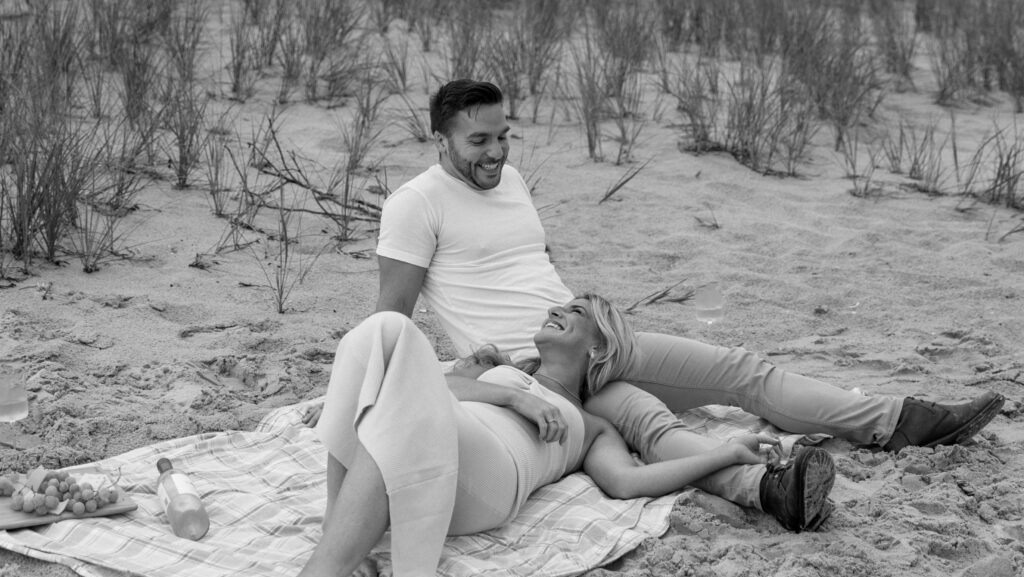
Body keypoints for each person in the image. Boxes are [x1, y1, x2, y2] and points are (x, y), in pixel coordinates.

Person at [340, 78, 1005, 532]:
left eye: (502, 136)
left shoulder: (510, 179)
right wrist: (460, 383)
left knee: (741, 372)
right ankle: (770, 488)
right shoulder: (414, 205)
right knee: (648, 424)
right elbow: (390, 321)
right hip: (538, 367)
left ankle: (899, 420)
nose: (495, 153)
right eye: (477, 141)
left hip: (591, 334)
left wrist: (595, 321)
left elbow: (531, 265)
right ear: (441, 141)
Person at [216, 295, 835, 577]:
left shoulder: (590, 421)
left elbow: (625, 484)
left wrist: (726, 453)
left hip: (486, 481)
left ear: (597, 348)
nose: (560, 308)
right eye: (562, 303)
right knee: (378, 335)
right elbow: (428, 388)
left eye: (578, 311)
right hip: (426, 454)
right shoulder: (491, 376)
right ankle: (340, 539)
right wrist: (511, 391)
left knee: (392, 340)